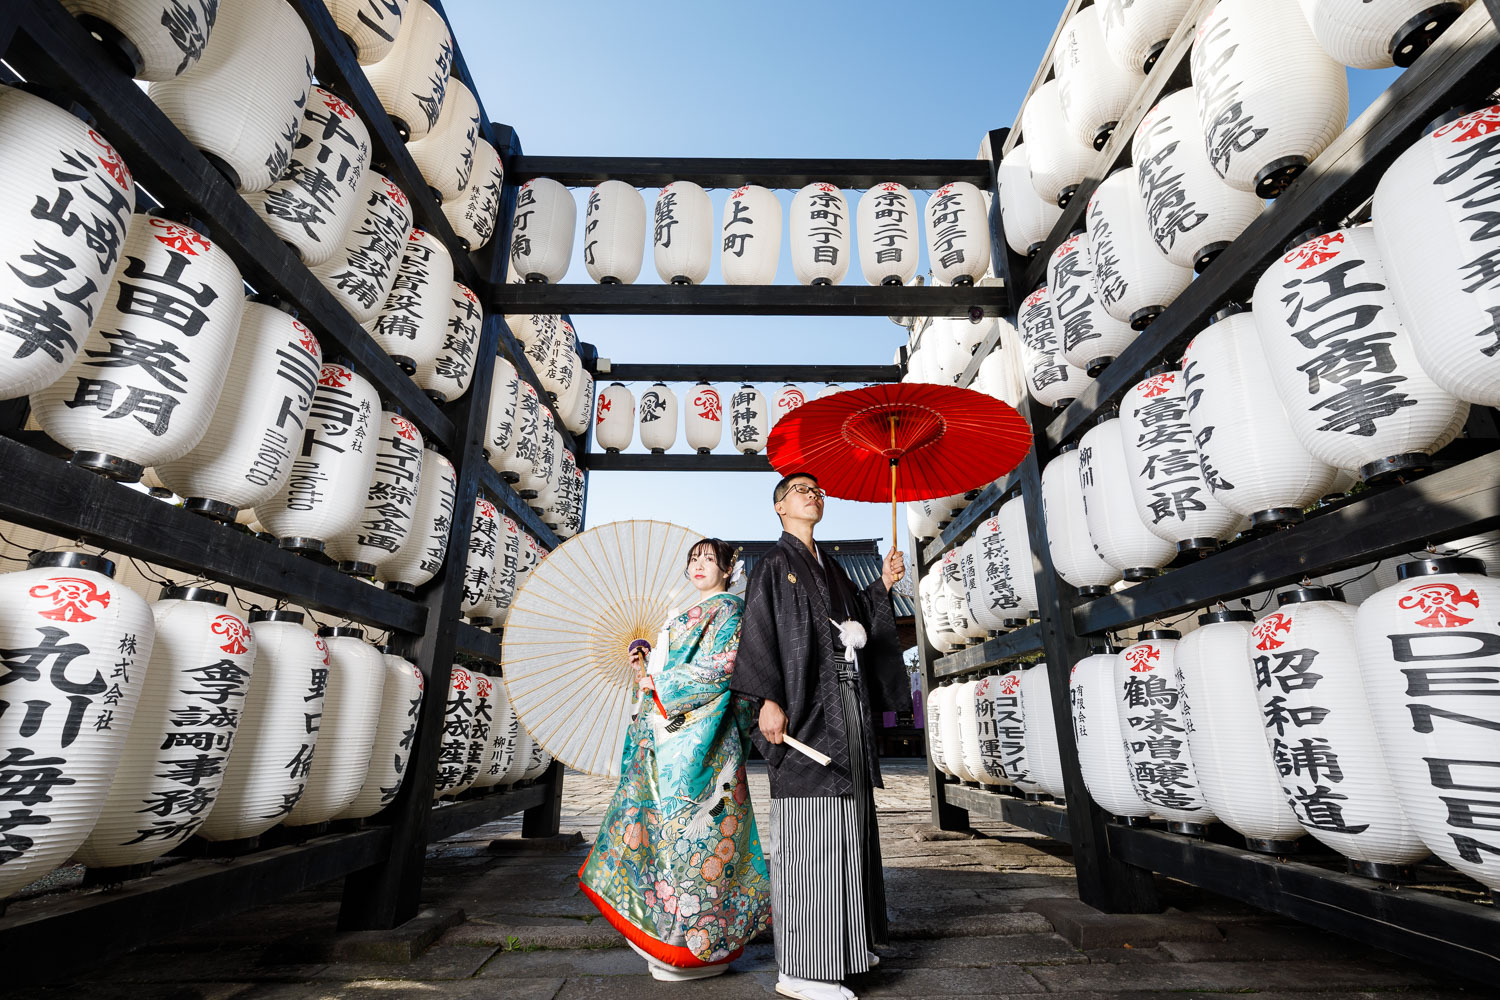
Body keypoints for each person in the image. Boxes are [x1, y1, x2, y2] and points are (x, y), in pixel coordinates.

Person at [731, 472, 908, 1000]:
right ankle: (802, 969)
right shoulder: (773, 566)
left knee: (850, 833)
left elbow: (861, 628)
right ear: (781, 508)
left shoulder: (832, 568)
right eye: (803, 490)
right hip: (806, 713)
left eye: (820, 491)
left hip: (845, 711)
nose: (815, 495)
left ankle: (848, 947)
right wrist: (768, 698)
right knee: (810, 836)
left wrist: (882, 588)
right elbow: (759, 632)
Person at [579, 537, 772, 981]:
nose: (699, 566)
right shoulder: (679, 618)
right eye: (693, 560)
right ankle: (665, 939)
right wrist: (643, 672)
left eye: (709, 559)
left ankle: (699, 947)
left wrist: (661, 683)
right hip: (667, 739)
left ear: (728, 570)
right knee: (662, 839)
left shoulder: (730, 612)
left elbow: (725, 667)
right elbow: (659, 680)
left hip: (701, 745)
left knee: (699, 843)